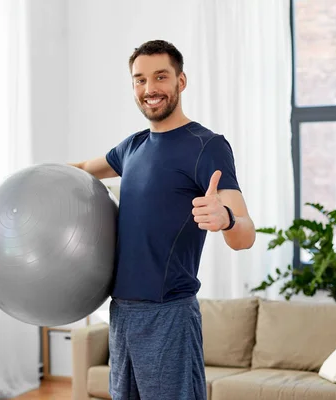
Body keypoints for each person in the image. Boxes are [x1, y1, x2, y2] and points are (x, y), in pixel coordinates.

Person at [68, 40, 256, 400]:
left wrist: (226, 218)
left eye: (160, 77)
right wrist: (22, 184)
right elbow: (80, 171)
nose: (149, 89)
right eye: (140, 80)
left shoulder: (207, 145)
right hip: (121, 311)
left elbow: (245, 235)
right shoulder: (132, 147)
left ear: (180, 82)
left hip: (169, 313)